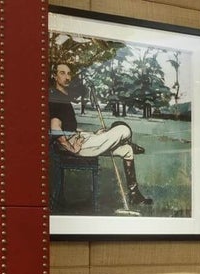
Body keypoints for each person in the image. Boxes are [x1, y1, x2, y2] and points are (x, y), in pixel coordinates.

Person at [48, 61, 153, 206]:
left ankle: (134, 195)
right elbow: (55, 128)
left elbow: (69, 127)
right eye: (62, 73)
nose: (67, 77)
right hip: (73, 145)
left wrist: (94, 133)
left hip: (78, 139)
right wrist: (72, 148)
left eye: (69, 73)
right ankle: (126, 140)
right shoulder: (55, 97)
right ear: (54, 76)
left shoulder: (62, 96)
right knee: (123, 129)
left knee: (127, 151)